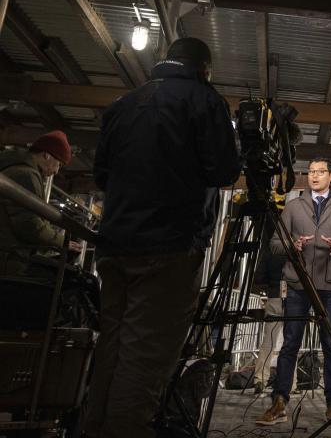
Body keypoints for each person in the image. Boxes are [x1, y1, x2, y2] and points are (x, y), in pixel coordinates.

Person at [83, 38, 242, 438]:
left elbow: (101, 174)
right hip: (167, 248)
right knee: (143, 361)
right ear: (204, 69)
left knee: (111, 351)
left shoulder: (123, 104)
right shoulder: (204, 101)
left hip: (114, 248)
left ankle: (91, 428)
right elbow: (224, 171)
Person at [257, 158, 331, 426]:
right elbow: (274, 244)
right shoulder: (293, 207)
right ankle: (279, 401)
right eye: (311, 172)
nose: (313, 176)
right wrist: (293, 246)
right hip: (297, 285)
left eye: (319, 172)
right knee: (289, 344)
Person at [0, 130, 80, 278]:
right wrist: (62, 241)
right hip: (8, 258)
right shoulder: (26, 175)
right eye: (59, 164)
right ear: (46, 155)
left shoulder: (14, 168)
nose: (56, 171)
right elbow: (29, 224)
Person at [252, 239, 287, 394]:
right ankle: (289, 384)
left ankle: (260, 379)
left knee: (268, 341)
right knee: (290, 343)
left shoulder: (270, 251)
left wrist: (271, 286)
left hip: (274, 296)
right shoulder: (297, 248)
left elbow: (259, 277)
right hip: (294, 299)